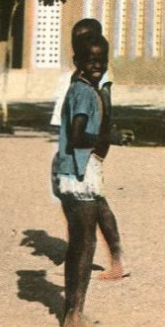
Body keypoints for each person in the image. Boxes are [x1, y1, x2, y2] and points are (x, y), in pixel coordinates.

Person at [50, 17, 126, 281]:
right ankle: (84, 252)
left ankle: (108, 258)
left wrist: (103, 141)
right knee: (79, 200)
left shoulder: (100, 78)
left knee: (92, 203)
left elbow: (103, 112)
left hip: (87, 146)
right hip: (75, 144)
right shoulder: (80, 75)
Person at [52, 33, 118, 327]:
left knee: (84, 243)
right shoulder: (82, 92)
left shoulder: (87, 89)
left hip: (80, 171)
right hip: (78, 173)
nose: (96, 65)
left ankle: (75, 313)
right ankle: (73, 317)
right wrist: (109, 139)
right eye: (90, 60)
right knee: (82, 245)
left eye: (101, 60)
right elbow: (78, 136)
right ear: (77, 61)